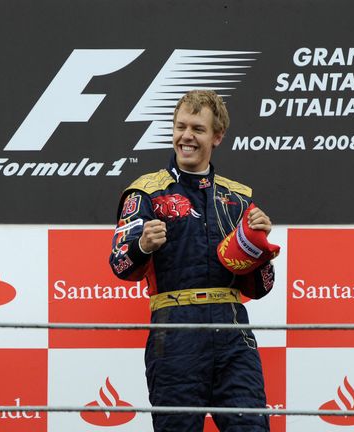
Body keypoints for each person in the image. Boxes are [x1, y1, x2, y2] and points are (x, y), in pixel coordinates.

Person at [109, 90, 275, 431]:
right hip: (175, 331)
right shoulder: (145, 192)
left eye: (197, 129)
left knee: (252, 428)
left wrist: (260, 249)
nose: (186, 136)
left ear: (216, 137)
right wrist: (142, 245)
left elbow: (261, 288)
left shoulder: (239, 197)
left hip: (233, 331)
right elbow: (120, 265)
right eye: (180, 126)